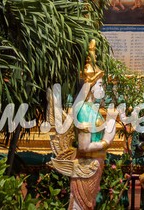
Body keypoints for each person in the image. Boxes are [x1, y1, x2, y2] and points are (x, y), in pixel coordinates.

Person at [50, 39, 116, 210]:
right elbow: (84, 146)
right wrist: (106, 141)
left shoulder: (92, 109)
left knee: (88, 204)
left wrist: (110, 123)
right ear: (91, 87)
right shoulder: (84, 111)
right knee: (81, 205)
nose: (103, 89)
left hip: (94, 164)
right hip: (86, 164)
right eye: (100, 85)